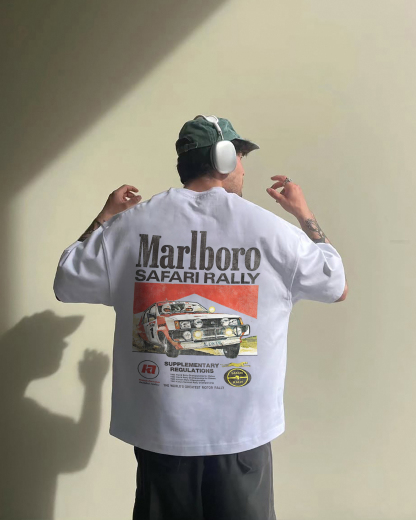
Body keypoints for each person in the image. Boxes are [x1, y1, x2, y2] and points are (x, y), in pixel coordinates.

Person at [53, 114, 348, 520]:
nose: (243, 168)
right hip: (242, 436)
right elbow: (336, 285)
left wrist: (105, 216)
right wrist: (304, 214)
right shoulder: (272, 230)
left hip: (160, 435)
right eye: (240, 157)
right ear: (225, 158)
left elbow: (67, 281)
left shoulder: (128, 226)